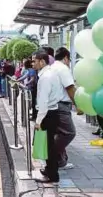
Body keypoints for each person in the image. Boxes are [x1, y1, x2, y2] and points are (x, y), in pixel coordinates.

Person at [32, 51, 64, 184]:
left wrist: (38, 121)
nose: (32, 63)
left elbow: (43, 101)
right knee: (48, 144)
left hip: (48, 115)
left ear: (42, 62)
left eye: (34, 61)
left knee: (49, 146)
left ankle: (52, 175)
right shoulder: (50, 74)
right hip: (52, 113)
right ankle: (49, 169)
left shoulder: (45, 77)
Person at [51, 47, 79, 170]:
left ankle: (60, 161)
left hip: (52, 105)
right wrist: (78, 105)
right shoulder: (63, 68)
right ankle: (51, 155)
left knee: (59, 133)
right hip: (61, 106)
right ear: (66, 58)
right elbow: (70, 88)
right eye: (69, 60)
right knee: (69, 133)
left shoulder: (52, 67)